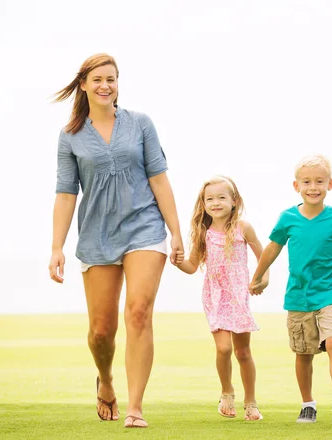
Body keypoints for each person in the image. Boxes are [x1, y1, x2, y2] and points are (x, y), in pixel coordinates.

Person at [47, 53, 185, 428]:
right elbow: (65, 194)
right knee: (101, 331)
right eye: (97, 80)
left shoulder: (140, 124)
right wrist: (57, 246)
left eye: (112, 78)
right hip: (97, 234)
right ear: (84, 85)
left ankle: (136, 407)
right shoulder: (70, 136)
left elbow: (159, 179)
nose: (105, 85)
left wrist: (175, 232)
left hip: (145, 227)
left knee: (138, 312)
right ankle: (106, 380)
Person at [249, 154, 332, 426]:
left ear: (329, 184)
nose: (313, 187)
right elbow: (272, 249)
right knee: (304, 353)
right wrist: (258, 276)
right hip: (298, 295)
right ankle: (308, 404)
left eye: (319, 181)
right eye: (307, 181)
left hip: (330, 291)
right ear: (296, 186)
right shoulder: (288, 218)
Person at [175, 176, 264, 421]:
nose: (216, 203)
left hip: (238, 295)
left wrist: (262, 278)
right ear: (203, 204)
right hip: (215, 296)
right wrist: (177, 261)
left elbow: (263, 255)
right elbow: (193, 265)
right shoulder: (203, 233)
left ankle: (251, 403)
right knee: (224, 348)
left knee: (243, 352)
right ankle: (227, 392)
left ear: (234, 201)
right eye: (210, 199)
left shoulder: (243, 228)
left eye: (222, 197)